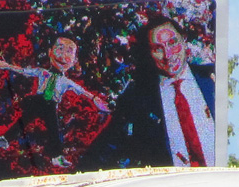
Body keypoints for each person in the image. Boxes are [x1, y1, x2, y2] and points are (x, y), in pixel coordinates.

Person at [83, 13, 216, 169]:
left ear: (184, 40)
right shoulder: (136, 98)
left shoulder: (213, 77)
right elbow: (105, 148)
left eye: (172, 43)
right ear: (149, 53)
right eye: (157, 48)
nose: (168, 55)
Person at [0, 35, 110, 169]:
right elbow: (24, 71)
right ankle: (5, 139)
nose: (63, 55)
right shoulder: (42, 72)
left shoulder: (66, 81)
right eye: (60, 49)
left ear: (74, 61)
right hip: (37, 101)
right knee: (24, 120)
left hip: (51, 105)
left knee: (54, 130)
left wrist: (95, 99)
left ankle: (56, 157)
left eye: (69, 52)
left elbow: (81, 91)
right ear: (50, 52)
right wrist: (6, 66)